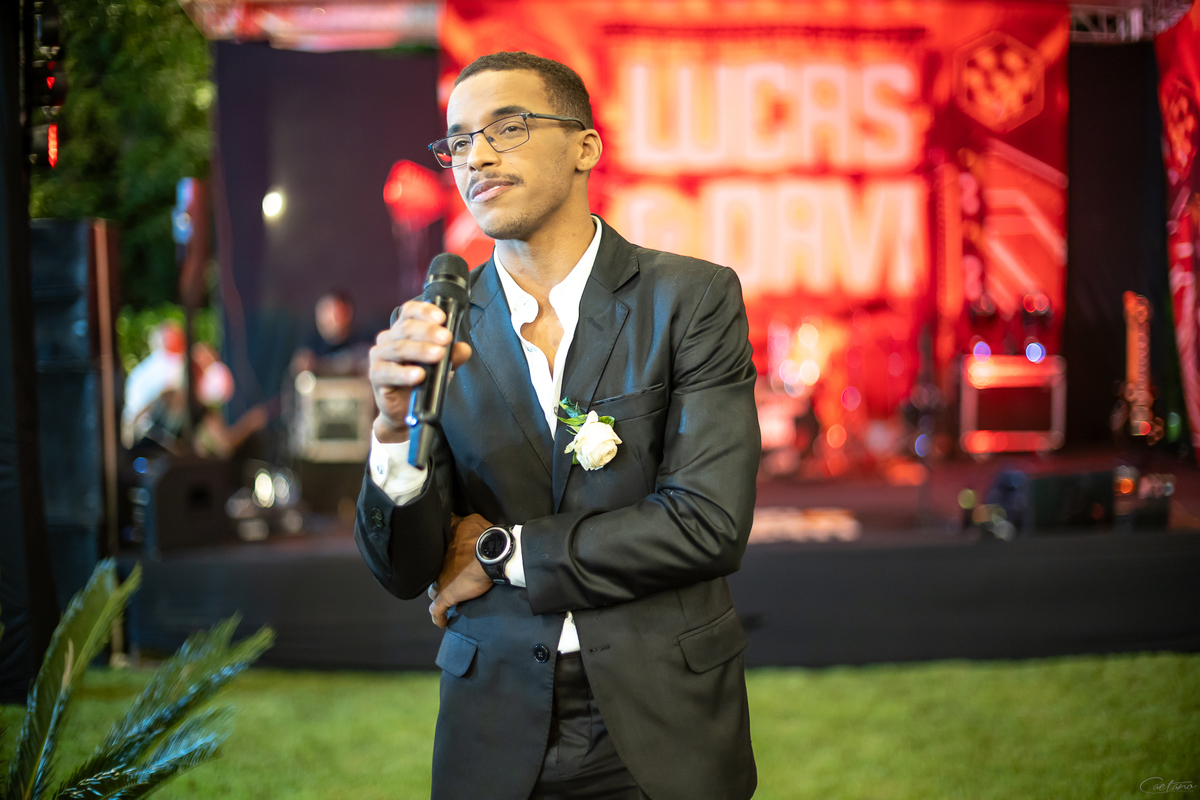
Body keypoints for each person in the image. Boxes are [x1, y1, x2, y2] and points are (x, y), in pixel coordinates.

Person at [356, 51, 760, 800]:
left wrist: (504, 553)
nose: (476, 156)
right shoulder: (436, 329)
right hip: (494, 724)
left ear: (585, 147)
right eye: (458, 141)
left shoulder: (689, 299)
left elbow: (707, 524)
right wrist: (387, 431)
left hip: (666, 717)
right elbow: (406, 570)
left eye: (507, 127)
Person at [289, 290, 370, 377]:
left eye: (330, 311)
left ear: (347, 313)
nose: (325, 319)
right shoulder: (310, 349)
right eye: (321, 312)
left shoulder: (362, 344)